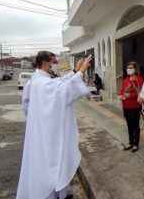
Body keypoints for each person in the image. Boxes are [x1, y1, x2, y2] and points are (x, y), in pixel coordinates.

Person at [16, 51, 93, 199]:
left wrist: (76, 72)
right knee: (49, 166)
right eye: (54, 62)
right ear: (45, 63)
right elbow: (61, 91)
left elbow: (60, 83)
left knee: (52, 164)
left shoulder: (41, 79)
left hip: (44, 131)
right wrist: (82, 71)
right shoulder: (39, 82)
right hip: (45, 134)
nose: (56, 65)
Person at [119, 61, 144, 152]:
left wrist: (131, 95)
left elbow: (140, 93)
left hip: (135, 106)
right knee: (129, 125)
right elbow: (122, 90)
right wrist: (121, 95)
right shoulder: (126, 79)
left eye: (131, 68)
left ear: (135, 69)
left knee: (135, 125)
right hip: (126, 106)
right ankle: (130, 142)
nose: (129, 69)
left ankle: (136, 143)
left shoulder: (139, 79)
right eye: (128, 68)